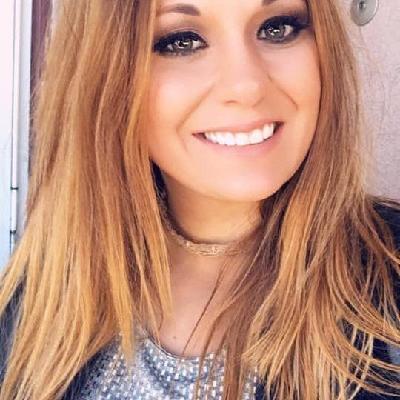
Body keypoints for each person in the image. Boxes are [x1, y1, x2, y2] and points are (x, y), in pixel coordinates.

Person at [0, 0, 399, 399]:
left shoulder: (389, 279)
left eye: (277, 27)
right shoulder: (37, 297)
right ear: (103, 75)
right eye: (182, 41)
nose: (247, 86)